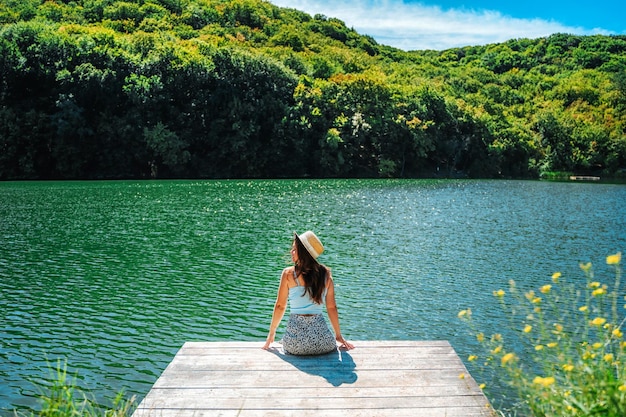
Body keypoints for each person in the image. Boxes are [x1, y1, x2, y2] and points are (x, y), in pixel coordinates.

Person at [263, 231, 354, 355]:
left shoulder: (288, 274)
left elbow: (280, 306)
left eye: (294, 249)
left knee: (285, 343)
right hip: (323, 343)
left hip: (294, 344)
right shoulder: (326, 275)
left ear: (303, 253)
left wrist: (271, 334)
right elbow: (332, 307)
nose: (291, 252)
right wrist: (338, 335)